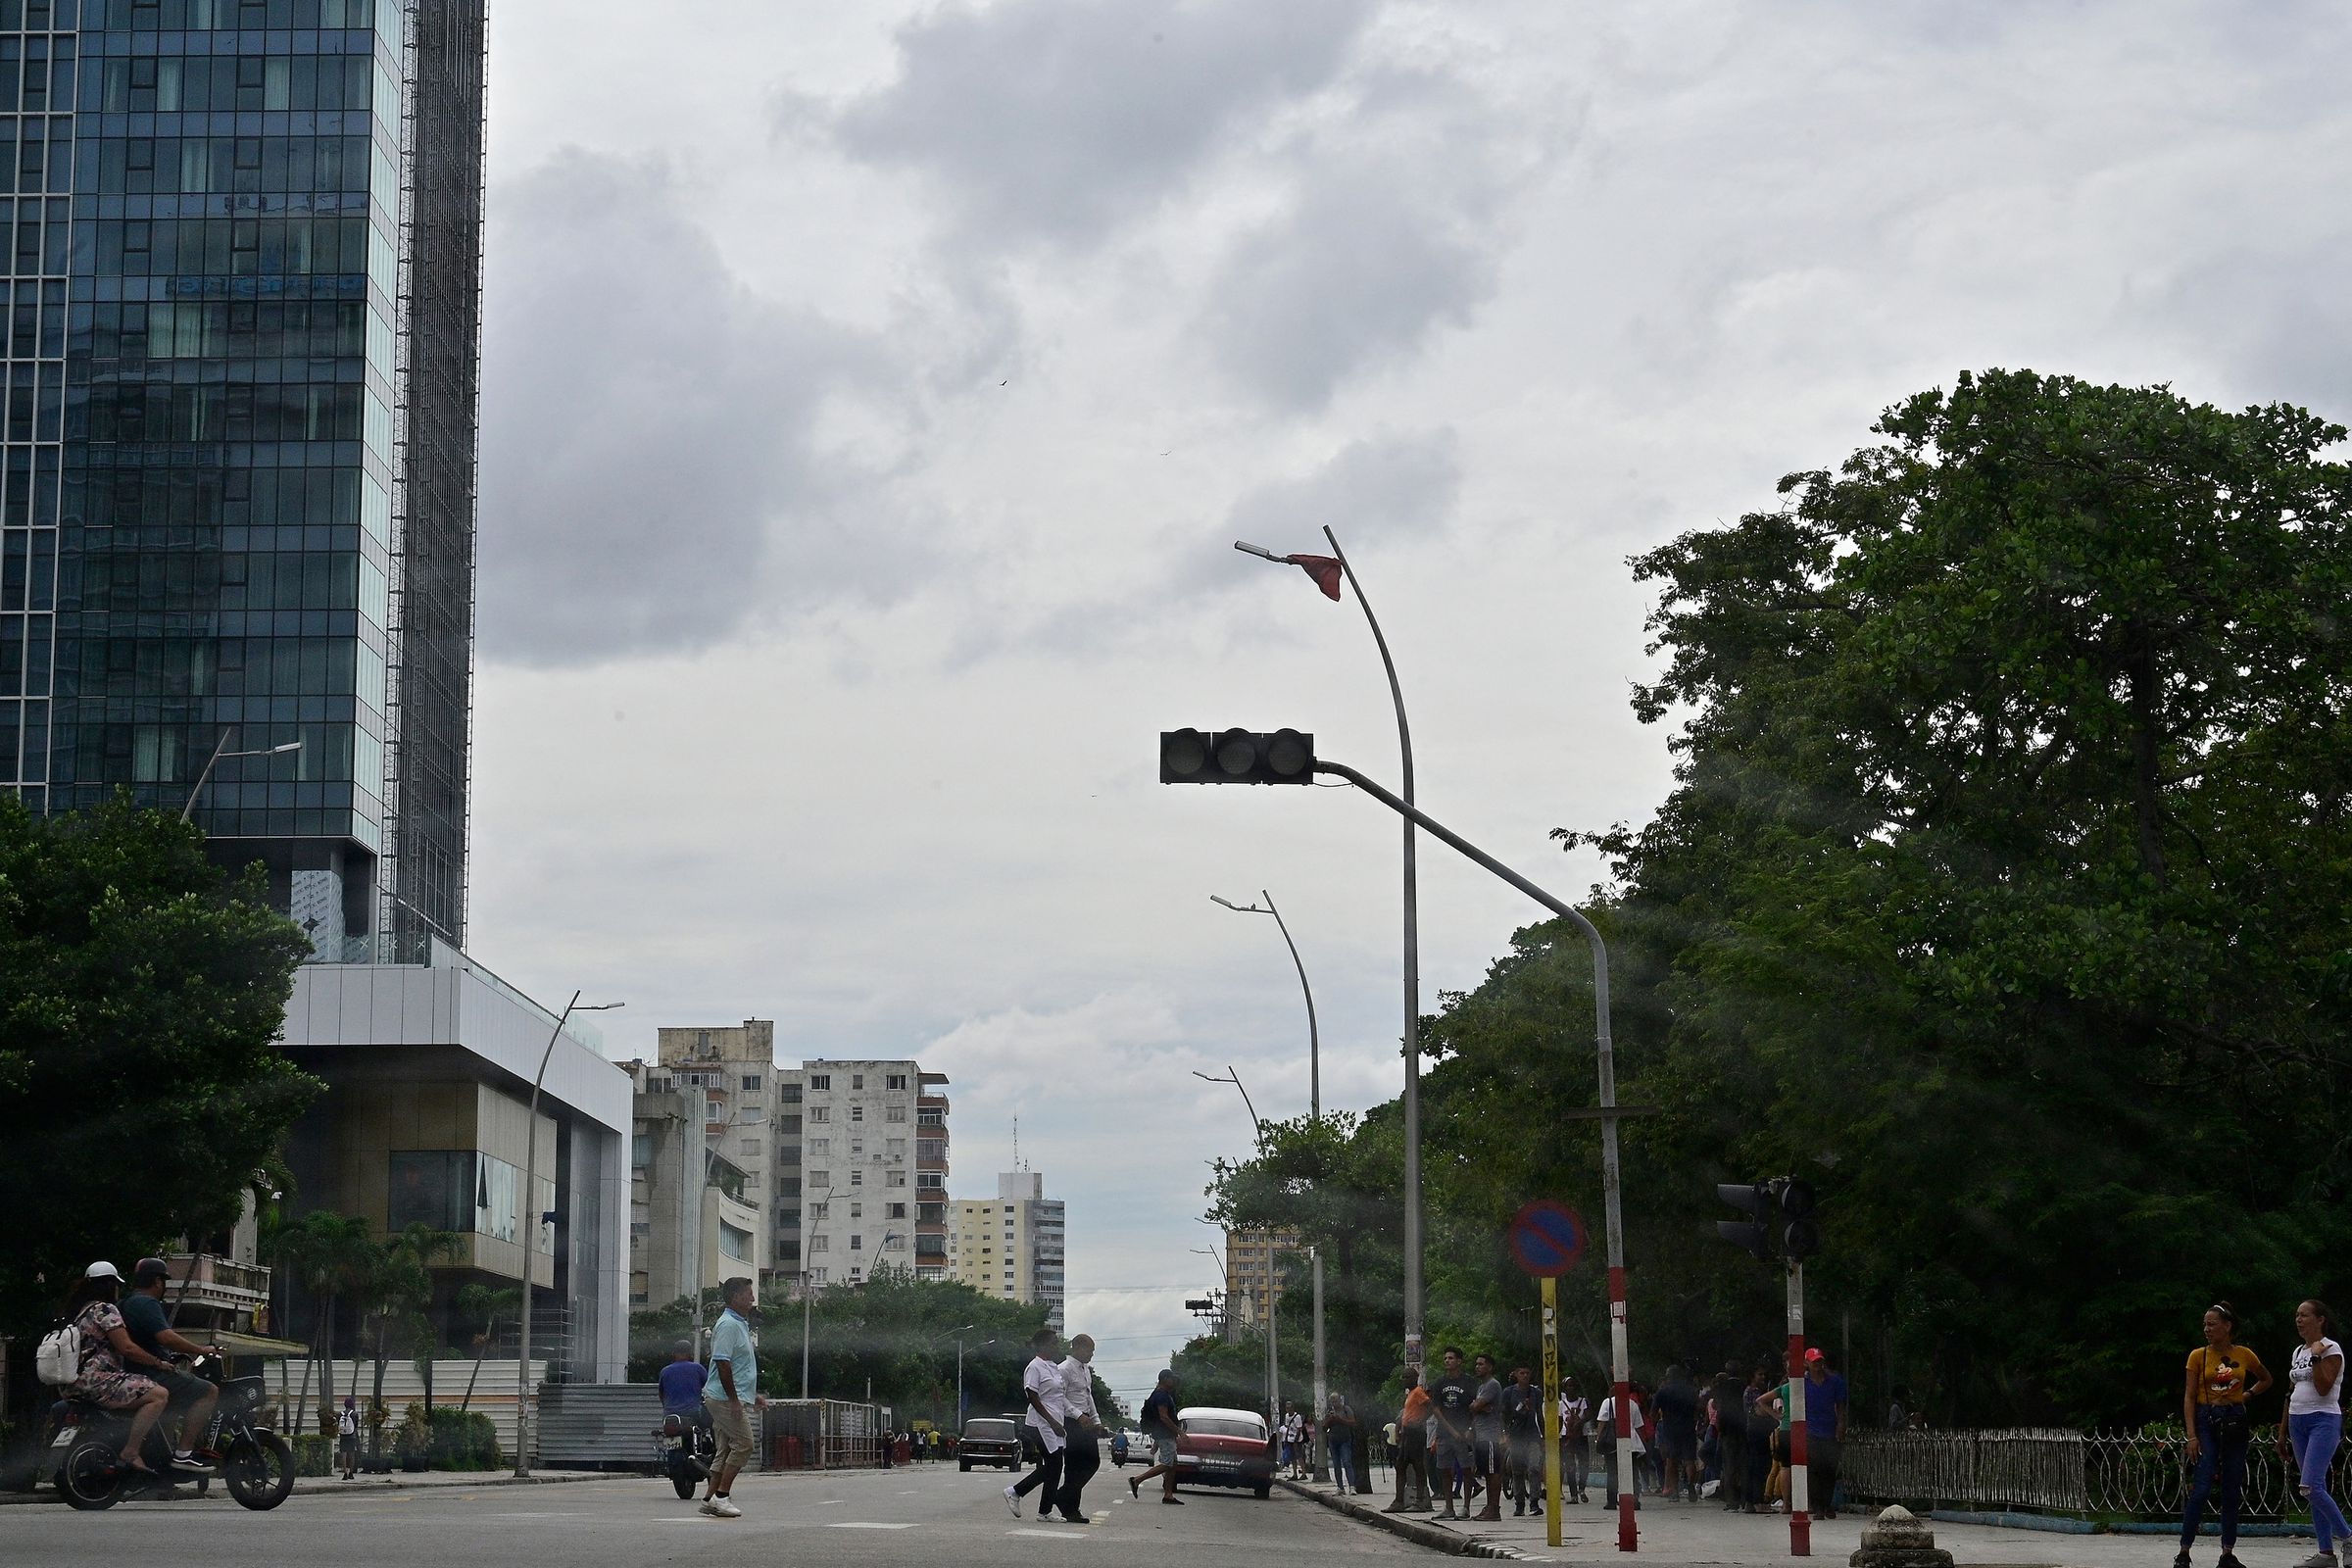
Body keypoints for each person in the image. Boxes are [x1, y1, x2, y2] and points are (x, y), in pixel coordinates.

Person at [61, 1262, 190, 1479]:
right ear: (110, 1286)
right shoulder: (105, 1309)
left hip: (73, 1384)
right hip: (99, 1380)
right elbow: (127, 1348)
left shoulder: (80, 1312)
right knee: (159, 1395)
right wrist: (158, 1363)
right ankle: (131, 1451)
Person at [2178, 1301, 2270, 1568]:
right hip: (2207, 1419)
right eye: (2205, 1324)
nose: (2207, 1329)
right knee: (2202, 1486)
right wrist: (2191, 1435)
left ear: (2227, 1326)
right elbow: (2190, 1395)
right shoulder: (2198, 1355)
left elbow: (2266, 1378)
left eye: (2212, 1323)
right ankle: (2184, 1551)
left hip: (2234, 1419)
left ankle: (2227, 1552)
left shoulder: (2244, 1354)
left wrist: (2247, 1394)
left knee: (2231, 1488)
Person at [122, 1258, 222, 1467]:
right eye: (163, 1281)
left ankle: (161, 1464)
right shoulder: (147, 1303)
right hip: (151, 1374)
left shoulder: (125, 1303)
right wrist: (200, 1350)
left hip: (129, 1374)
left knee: (172, 1407)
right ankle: (184, 1453)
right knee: (209, 1391)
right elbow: (166, 1337)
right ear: (158, 1281)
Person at [2279, 1299, 2346, 1568]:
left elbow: (2322, 1387)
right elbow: (2290, 1392)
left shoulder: (2331, 1349)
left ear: (2320, 1319)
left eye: (2304, 1315)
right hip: (2298, 1420)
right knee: (2316, 1489)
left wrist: (2318, 1356)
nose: (2299, 1320)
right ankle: (2325, 1553)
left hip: (2323, 1419)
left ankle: (2348, 1537)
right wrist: (2282, 1432)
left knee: (2310, 1486)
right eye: (2297, 1315)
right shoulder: (2298, 1351)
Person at [697, 1277, 762, 1519]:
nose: (752, 1299)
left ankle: (709, 1498)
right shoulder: (728, 1325)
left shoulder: (738, 1324)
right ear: (735, 1297)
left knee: (724, 1449)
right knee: (745, 1444)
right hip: (723, 1398)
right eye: (748, 1294)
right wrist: (735, 1401)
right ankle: (722, 1497)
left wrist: (751, 1395)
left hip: (728, 1396)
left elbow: (738, 1367)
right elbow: (722, 1363)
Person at [1007, 1327, 1067, 1518]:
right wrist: (1052, 1422)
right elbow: (1033, 1397)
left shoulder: (1053, 1367)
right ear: (1042, 1345)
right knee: (1054, 1463)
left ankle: (1045, 1511)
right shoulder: (1034, 1366)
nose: (1057, 1346)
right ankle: (1015, 1492)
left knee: (1055, 1464)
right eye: (1053, 1343)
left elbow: (1058, 1397)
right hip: (1039, 1423)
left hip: (1054, 1423)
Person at [1053, 1334, 1103, 1522]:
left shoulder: (1085, 1369)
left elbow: (1088, 1396)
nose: (1091, 1354)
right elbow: (1060, 1397)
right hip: (1071, 1421)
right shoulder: (1064, 1369)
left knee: (1092, 1462)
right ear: (1078, 1347)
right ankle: (1070, 1509)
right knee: (1074, 1466)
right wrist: (1078, 1415)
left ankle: (1062, 1497)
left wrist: (1095, 1420)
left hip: (1085, 1421)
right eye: (1090, 1350)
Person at [1428, 1347, 1478, 1520]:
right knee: (1444, 1469)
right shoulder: (1439, 1383)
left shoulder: (1469, 1382)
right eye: (1445, 1358)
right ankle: (1448, 1507)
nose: (1447, 1361)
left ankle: (1466, 1507)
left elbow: (1475, 1407)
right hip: (1445, 1432)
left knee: (1466, 1469)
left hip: (1464, 1433)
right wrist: (1450, 1430)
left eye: (1451, 1358)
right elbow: (1436, 1409)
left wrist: (1470, 1428)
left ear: (1459, 1361)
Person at [1798, 1349, 1848, 1519]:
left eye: (1819, 1362)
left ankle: (1826, 1504)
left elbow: (1841, 1406)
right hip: (1810, 1431)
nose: (1818, 1366)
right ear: (1806, 1363)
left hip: (1829, 1430)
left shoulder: (1835, 1382)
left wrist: (1841, 1425)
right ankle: (1817, 1506)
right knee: (1814, 1469)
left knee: (1829, 1469)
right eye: (1814, 1362)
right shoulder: (1802, 1384)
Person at [1129, 1368, 1184, 1504]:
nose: (1174, 1381)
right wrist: (1180, 1432)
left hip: (1164, 1435)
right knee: (1167, 1463)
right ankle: (1136, 1480)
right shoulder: (1161, 1396)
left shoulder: (1161, 1394)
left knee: (1173, 1464)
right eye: (1172, 1378)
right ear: (1165, 1379)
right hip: (1165, 1435)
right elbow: (1163, 1417)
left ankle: (1168, 1494)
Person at [1386, 1365, 1433, 1514]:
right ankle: (1399, 1500)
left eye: (1407, 1377)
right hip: (1408, 1433)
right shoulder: (1411, 1393)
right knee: (1401, 1465)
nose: (1404, 1380)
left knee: (1417, 1466)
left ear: (1414, 1378)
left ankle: (1419, 1501)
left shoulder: (1418, 1392)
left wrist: (1421, 1421)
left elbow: (1430, 1407)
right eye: (1403, 1377)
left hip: (1415, 1433)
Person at [1499, 1365, 1543, 1516]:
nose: (1524, 1375)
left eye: (1527, 1373)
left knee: (1534, 1468)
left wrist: (1543, 1436)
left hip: (1532, 1435)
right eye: (1521, 1373)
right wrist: (1505, 1433)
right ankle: (1519, 1504)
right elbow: (1503, 1414)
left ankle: (1534, 1502)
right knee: (1517, 1471)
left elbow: (1540, 1414)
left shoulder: (1536, 1392)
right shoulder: (1509, 1392)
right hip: (1516, 1436)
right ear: (1516, 1375)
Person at [1652, 1364, 1698, 1502]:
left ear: (1668, 1377)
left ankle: (1674, 1491)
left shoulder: (1662, 1392)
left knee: (1671, 1461)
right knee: (1690, 1460)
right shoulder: (1691, 1391)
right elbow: (1697, 1409)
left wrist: (1657, 1424)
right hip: (1688, 1428)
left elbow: (1653, 1412)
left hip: (1670, 1430)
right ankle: (1691, 1486)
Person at [1469, 1353, 1506, 1521]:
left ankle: (1494, 1508)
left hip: (1491, 1435)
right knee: (1487, 1472)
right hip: (1481, 1435)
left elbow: (1476, 1405)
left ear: (1490, 1367)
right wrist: (1477, 1407)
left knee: (1493, 1473)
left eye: (1481, 1364)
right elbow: (1476, 1407)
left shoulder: (1492, 1385)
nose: (1477, 1367)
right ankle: (1489, 1506)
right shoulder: (1481, 1387)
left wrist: (1477, 1406)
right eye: (1476, 1364)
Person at [1597, 1383, 1645, 1510]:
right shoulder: (1633, 1404)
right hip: (1632, 1444)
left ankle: (1612, 1501)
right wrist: (1643, 1443)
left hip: (1612, 1444)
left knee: (1613, 1473)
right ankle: (1634, 1499)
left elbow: (1602, 1423)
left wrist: (1599, 1439)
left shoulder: (1607, 1403)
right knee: (1632, 1473)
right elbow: (1639, 1426)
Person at [1709, 1362, 1749, 1512]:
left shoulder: (1722, 1388)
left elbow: (1718, 1408)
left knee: (1729, 1466)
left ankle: (1731, 1501)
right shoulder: (1744, 1386)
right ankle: (1746, 1499)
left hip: (1727, 1431)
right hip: (1743, 1429)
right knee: (1744, 1466)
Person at [658, 1338, 706, 1422]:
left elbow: (661, 1394)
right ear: (690, 1353)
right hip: (693, 1413)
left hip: (670, 1414)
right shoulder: (698, 1369)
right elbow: (708, 1387)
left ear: (674, 1353)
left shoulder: (665, 1371)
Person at [1324, 1393, 1361, 1494]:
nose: (1334, 1403)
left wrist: (1339, 1419)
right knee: (1336, 1464)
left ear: (1340, 1400)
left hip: (1345, 1440)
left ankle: (1352, 1486)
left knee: (1347, 1462)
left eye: (1336, 1400)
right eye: (1332, 1401)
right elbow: (1324, 1427)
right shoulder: (1330, 1411)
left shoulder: (1346, 1410)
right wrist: (1330, 1420)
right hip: (1333, 1440)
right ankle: (1340, 1487)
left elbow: (1353, 1422)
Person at [336, 1396, 362, 1480]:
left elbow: (338, 1424)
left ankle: (344, 1473)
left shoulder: (340, 1414)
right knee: (351, 1454)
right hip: (352, 1436)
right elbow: (356, 1426)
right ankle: (351, 1472)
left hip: (343, 1436)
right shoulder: (355, 1414)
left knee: (343, 1454)